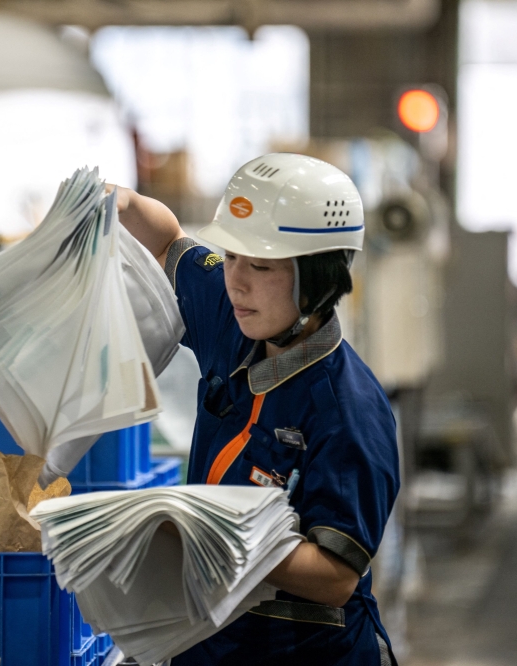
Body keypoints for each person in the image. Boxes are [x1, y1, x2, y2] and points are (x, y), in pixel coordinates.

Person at [112, 153, 400, 665]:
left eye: (261, 266)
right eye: (231, 258)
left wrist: (214, 537)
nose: (236, 282)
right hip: (212, 643)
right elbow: (167, 242)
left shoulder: (348, 412)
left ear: (317, 279)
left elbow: (335, 578)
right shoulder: (238, 321)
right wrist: (118, 202)